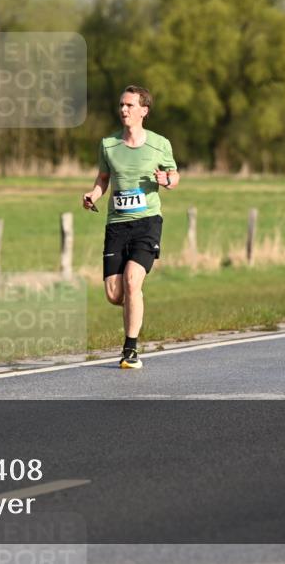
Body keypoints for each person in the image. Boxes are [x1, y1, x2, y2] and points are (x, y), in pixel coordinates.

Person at [82, 85, 179, 369]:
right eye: (121, 105)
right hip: (116, 224)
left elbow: (174, 175)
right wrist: (93, 194)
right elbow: (103, 178)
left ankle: (130, 350)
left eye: (129, 105)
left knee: (132, 279)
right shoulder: (108, 144)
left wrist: (167, 181)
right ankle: (135, 302)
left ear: (143, 111)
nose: (123, 110)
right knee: (115, 294)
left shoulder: (160, 144)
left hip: (147, 222)